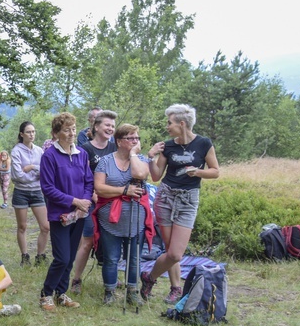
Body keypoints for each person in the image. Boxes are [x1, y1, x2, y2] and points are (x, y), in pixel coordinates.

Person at [141, 104, 220, 303]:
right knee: (169, 250)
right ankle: (176, 288)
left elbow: (215, 171)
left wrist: (198, 172)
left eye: (170, 123)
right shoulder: (168, 146)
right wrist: (151, 157)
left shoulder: (203, 143)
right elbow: (157, 176)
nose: (167, 126)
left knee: (175, 254)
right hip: (166, 197)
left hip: (188, 199)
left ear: (182, 124)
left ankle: (149, 277)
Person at [93, 124, 155, 305]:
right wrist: (124, 190)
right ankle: (109, 292)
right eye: (131, 138)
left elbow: (142, 175)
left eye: (137, 138)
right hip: (110, 219)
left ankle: (132, 291)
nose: (135, 141)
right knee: (111, 258)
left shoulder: (140, 159)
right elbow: (99, 188)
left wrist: (134, 154)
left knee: (134, 258)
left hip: (136, 218)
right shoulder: (105, 161)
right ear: (119, 141)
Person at [39, 113, 92, 311]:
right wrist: (74, 201)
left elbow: (88, 180)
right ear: (55, 133)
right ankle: (46, 293)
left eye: (73, 129)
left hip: (79, 214)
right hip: (59, 215)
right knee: (61, 257)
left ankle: (62, 293)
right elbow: (48, 188)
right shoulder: (50, 156)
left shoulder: (82, 154)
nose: (71, 133)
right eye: (66, 130)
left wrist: (84, 202)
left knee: (70, 257)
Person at [71, 110, 118, 294]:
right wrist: (91, 195)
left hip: (110, 202)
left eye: (113, 126)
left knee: (110, 240)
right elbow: (79, 178)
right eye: (107, 125)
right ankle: (76, 279)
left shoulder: (114, 148)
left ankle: (112, 278)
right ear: (96, 127)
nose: (110, 128)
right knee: (88, 241)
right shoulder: (85, 149)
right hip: (90, 202)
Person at [11, 121, 50, 267]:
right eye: (28, 132)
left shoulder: (39, 151)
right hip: (21, 192)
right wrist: (35, 174)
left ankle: (40, 256)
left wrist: (32, 167)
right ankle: (25, 256)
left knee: (46, 226)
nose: (32, 134)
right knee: (22, 226)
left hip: (37, 191)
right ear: (22, 134)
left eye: (33, 131)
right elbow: (17, 176)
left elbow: (45, 172)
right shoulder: (16, 151)